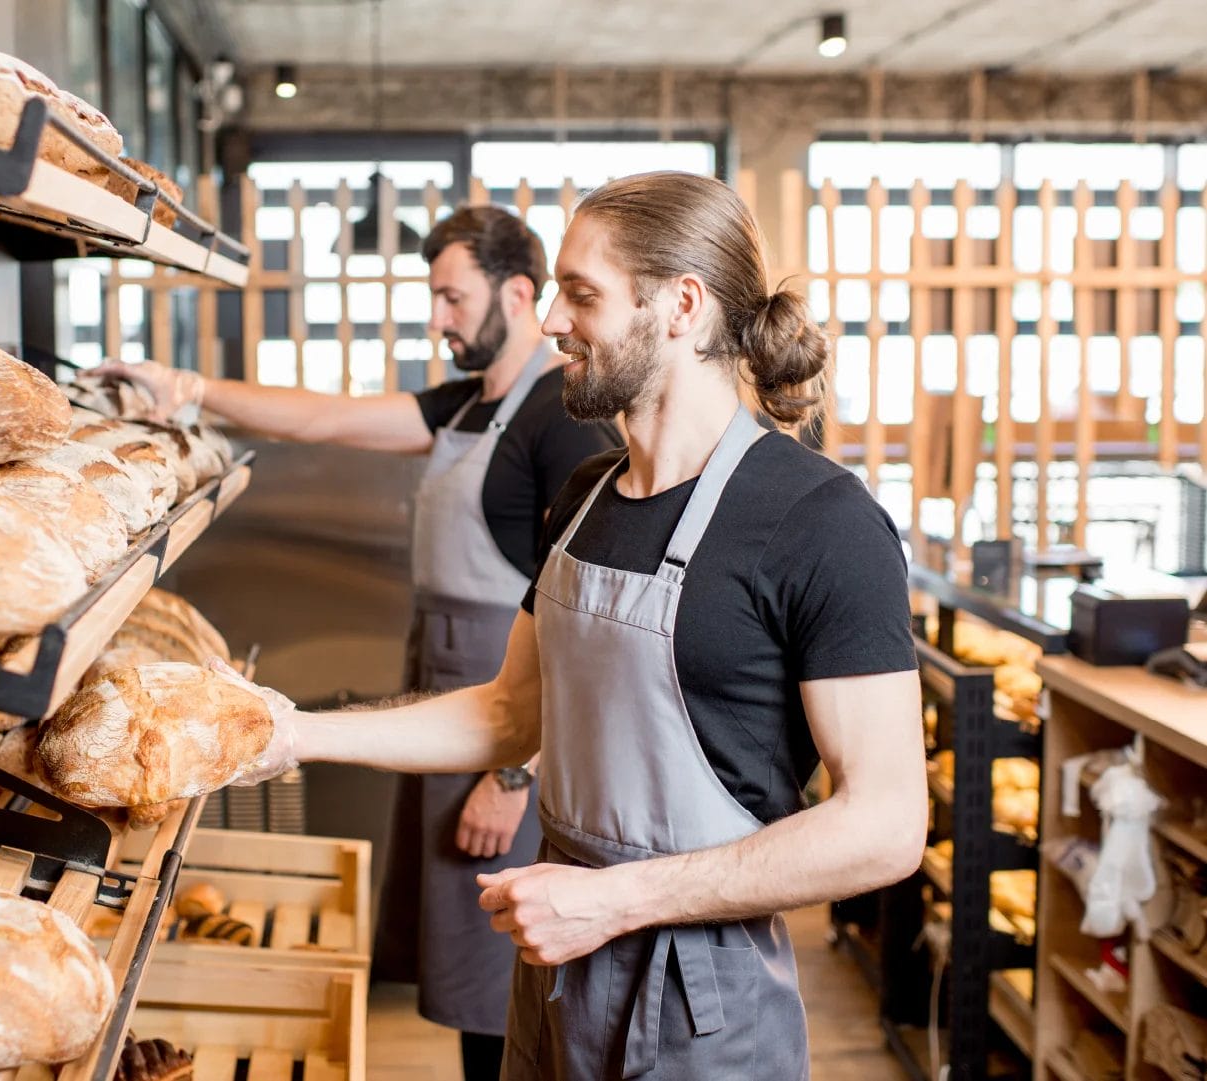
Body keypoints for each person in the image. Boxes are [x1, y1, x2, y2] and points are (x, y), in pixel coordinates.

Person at [223, 172, 928, 1079]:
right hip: (557, 958)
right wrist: (291, 732)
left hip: (698, 991)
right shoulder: (584, 498)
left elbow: (884, 822)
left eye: (580, 294)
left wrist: (619, 899)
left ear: (680, 305)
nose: (551, 321)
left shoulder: (820, 521)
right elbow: (509, 714)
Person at [93, 205, 620, 1078]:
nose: (438, 317)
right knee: (466, 962)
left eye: (452, 298)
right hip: (448, 705)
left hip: (510, 731)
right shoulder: (469, 405)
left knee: (508, 966)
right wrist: (186, 388)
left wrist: (513, 773)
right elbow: (326, 419)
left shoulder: (557, 422)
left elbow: (583, 626)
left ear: (518, 293)